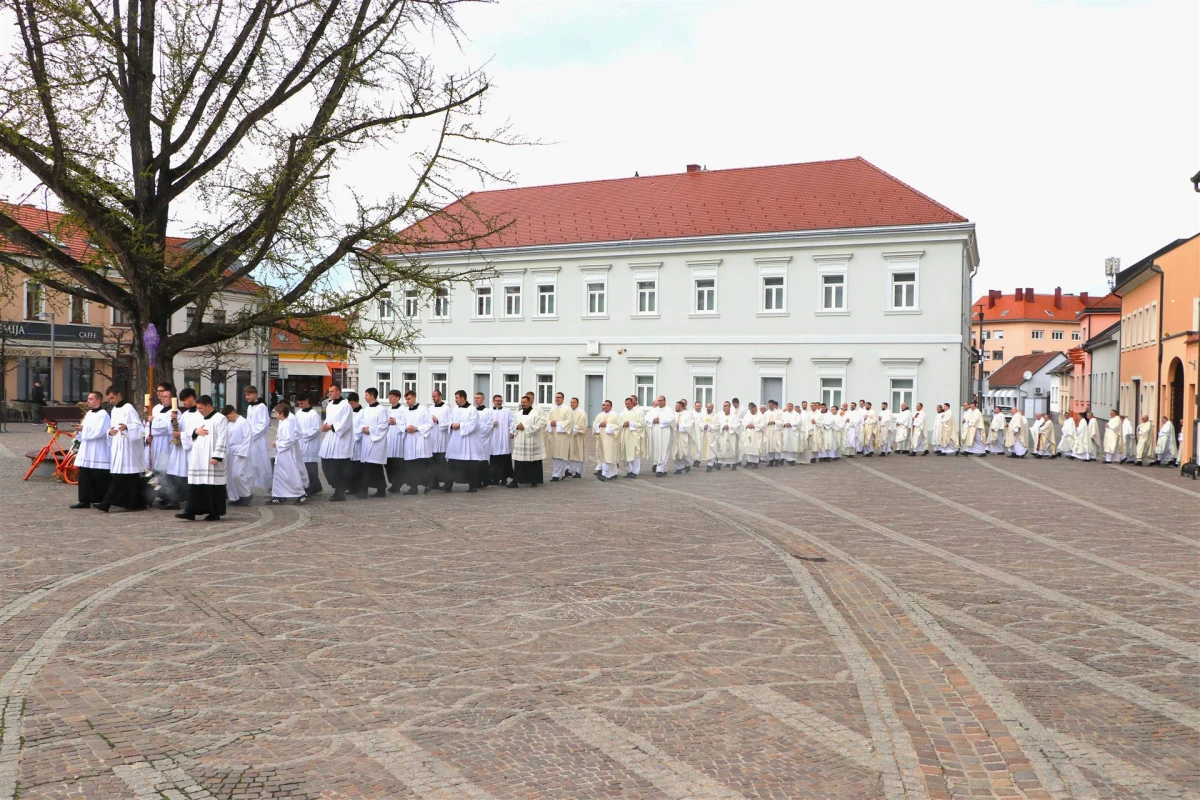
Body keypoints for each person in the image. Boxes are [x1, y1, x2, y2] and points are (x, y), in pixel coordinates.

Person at [93, 387, 145, 512]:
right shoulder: (114, 409)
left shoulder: (129, 408)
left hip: (128, 448)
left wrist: (127, 426)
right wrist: (110, 432)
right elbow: (112, 426)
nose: (110, 401)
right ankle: (136, 503)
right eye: (109, 399)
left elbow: (138, 427)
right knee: (130, 479)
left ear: (119, 394)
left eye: (112, 398)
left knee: (121, 477)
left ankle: (106, 503)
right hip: (118, 446)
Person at [176, 395, 228, 521]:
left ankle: (214, 512)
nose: (199, 410)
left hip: (211, 456)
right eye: (198, 408)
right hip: (198, 456)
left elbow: (223, 438)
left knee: (213, 485)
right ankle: (191, 511)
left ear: (209, 406)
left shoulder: (220, 419)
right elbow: (189, 431)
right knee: (195, 484)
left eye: (201, 408)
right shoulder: (198, 417)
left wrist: (217, 455)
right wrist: (195, 431)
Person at [148, 383, 187, 508]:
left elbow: (166, 428)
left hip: (166, 445)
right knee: (155, 472)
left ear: (172, 399)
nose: (162, 398)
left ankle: (173, 499)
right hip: (155, 445)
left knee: (166, 473)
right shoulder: (158, 410)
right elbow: (152, 427)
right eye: (161, 396)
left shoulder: (175, 413)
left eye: (165, 396)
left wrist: (153, 422)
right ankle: (162, 495)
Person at [70, 391, 111, 508]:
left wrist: (84, 428)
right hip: (87, 449)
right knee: (84, 475)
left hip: (98, 449)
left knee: (98, 476)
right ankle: (84, 500)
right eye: (88, 399)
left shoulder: (103, 414)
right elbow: (85, 430)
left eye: (90, 399)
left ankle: (99, 499)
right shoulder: (88, 414)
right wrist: (79, 431)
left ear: (98, 401)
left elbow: (100, 431)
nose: (88, 401)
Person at [319, 382, 354, 501]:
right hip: (329, 438)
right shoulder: (329, 405)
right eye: (329, 392)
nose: (330, 393)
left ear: (338, 392)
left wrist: (332, 427)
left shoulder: (346, 406)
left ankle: (340, 491)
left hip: (340, 439)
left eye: (332, 391)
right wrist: (325, 426)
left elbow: (346, 423)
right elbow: (328, 419)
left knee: (337, 467)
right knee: (326, 464)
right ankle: (337, 487)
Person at [270, 403, 309, 504]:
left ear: (281, 413)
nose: (275, 415)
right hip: (281, 453)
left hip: (286, 453)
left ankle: (301, 494)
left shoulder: (287, 423)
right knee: (279, 474)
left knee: (291, 473)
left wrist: (277, 443)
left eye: (276, 413)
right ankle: (279, 495)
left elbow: (290, 440)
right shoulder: (283, 422)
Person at [396, 389, 434, 493]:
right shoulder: (405, 411)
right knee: (410, 466)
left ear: (414, 398)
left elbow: (430, 424)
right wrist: (405, 428)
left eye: (409, 399)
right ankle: (413, 488)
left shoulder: (423, 409)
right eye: (406, 399)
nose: (407, 401)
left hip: (420, 439)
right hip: (409, 440)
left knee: (420, 466)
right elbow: (400, 423)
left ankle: (428, 482)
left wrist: (417, 428)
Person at [445, 390, 481, 492]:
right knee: (452, 463)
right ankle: (448, 486)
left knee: (470, 465)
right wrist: (451, 425)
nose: (455, 400)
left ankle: (472, 486)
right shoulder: (455, 409)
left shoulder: (472, 410)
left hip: (468, 442)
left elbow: (474, 425)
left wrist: (460, 425)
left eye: (457, 398)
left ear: (463, 398)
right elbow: (449, 421)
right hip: (456, 441)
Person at [356, 388, 390, 497]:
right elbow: (360, 423)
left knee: (374, 466)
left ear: (372, 395)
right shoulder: (365, 410)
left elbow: (384, 426)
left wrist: (370, 430)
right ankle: (380, 489)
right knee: (368, 466)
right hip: (366, 441)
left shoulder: (381, 410)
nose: (364, 397)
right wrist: (362, 429)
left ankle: (364, 490)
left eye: (366, 395)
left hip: (376, 442)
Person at [509, 393, 546, 488]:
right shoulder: (518, 413)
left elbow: (537, 426)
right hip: (520, 440)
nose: (523, 404)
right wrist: (516, 427)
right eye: (521, 402)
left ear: (529, 402)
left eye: (524, 402)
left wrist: (524, 427)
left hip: (530, 441)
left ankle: (533, 480)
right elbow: (513, 425)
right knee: (519, 462)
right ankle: (516, 480)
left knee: (532, 462)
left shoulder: (535, 413)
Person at [243, 386, 272, 496]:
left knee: (262, 464)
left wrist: (251, 434)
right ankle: (248, 487)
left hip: (257, 440)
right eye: (246, 395)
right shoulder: (250, 407)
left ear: (255, 394)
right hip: (250, 440)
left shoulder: (261, 407)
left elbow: (263, 424)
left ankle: (269, 486)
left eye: (249, 394)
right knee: (250, 465)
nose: (247, 397)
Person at [223, 405, 253, 505]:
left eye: (228, 417)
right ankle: (236, 496)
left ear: (233, 412)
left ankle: (246, 494)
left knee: (238, 474)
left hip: (240, 451)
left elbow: (247, 438)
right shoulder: (230, 424)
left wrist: (242, 452)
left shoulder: (243, 422)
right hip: (231, 451)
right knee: (231, 475)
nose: (228, 419)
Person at [296, 392, 324, 496]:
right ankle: (310, 486)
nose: (300, 405)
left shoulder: (314, 414)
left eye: (302, 403)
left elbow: (316, 430)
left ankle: (315, 486)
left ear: (307, 401)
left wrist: (302, 434)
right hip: (301, 443)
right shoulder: (298, 413)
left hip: (311, 445)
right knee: (303, 467)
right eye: (298, 403)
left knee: (311, 467)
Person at [488, 394, 515, 486]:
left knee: (504, 459)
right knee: (494, 459)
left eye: (500, 400)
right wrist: (491, 424)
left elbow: (512, 422)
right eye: (497, 400)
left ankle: (504, 478)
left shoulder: (507, 411)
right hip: (493, 438)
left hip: (504, 438)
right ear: (493, 401)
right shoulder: (489, 411)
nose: (499, 402)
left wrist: (512, 431)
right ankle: (494, 478)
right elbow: (485, 423)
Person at [427, 389, 451, 491]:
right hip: (432, 437)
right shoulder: (430, 408)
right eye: (432, 396)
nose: (433, 398)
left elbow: (449, 421)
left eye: (435, 396)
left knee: (442, 464)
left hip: (442, 438)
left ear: (440, 396)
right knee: (432, 464)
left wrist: (438, 421)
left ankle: (448, 483)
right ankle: (434, 482)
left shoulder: (446, 408)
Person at [646, 395, 675, 477]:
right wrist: (652, 420)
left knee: (664, 450)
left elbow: (672, 420)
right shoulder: (653, 410)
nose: (659, 402)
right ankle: (663, 469)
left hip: (665, 433)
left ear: (665, 401)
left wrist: (660, 420)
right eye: (658, 400)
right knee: (657, 450)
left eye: (661, 400)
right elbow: (647, 418)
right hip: (655, 433)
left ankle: (660, 470)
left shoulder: (669, 410)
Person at [546, 392, 572, 481]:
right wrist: (550, 423)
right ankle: (562, 472)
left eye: (559, 397)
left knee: (560, 455)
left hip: (562, 437)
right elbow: (547, 420)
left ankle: (556, 475)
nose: (557, 399)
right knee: (554, 455)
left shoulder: (567, 409)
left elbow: (569, 422)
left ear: (563, 399)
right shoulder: (552, 409)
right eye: (556, 397)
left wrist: (557, 424)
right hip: (553, 436)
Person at [592, 400, 621, 481]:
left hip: (611, 440)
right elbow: (594, 425)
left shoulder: (615, 415)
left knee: (608, 456)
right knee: (605, 456)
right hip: (601, 439)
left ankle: (604, 474)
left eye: (607, 405)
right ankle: (613, 474)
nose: (605, 407)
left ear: (611, 406)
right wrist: (599, 425)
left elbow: (619, 427)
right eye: (604, 405)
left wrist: (607, 425)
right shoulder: (600, 415)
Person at [617, 396, 645, 478]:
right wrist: (623, 424)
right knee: (627, 453)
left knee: (635, 454)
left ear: (632, 403)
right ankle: (629, 471)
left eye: (628, 403)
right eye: (626, 403)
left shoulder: (638, 412)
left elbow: (642, 424)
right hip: (625, 435)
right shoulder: (623, 412)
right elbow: (619, 423)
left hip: (634, 436)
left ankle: (635, 472)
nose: (627, 405)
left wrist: (631, 424)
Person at [567, 397, 588, 478]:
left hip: (578, 437)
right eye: (571, 402)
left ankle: (578, 472)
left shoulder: (582, 413)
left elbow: (583, 426)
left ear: (578, 403)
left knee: (579, 454)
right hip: (570, 437)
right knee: (571, 454)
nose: (572, 404)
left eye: (574, 402)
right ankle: (570, 470)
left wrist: (572, 429)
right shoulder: (569, 412)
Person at [716, 401, 741, 470]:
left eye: (728, 409)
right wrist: (723, 427)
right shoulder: (720, 416)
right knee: (722, 448)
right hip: (723, 435)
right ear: (723, 410)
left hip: (731, 435)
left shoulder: (734, 416)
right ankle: (719, 463)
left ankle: (733, 464)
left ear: (730, 409)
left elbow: (737, 425)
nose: (727, 410)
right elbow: (717, 425)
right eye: (725, 409)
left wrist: (729, 426)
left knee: (732, 448)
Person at [741, 402, 763, 468]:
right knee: (748, 447)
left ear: (756, 409)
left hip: (756, 434)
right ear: (749, 409)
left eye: (754, 410)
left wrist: (755, 426)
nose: (752, 411)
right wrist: (747, 425)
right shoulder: (746, 416)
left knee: (755, 448)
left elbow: (763, 425)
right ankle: (749, 462)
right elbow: (743, 423)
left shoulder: (760, 416)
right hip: (748, 433)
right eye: (751, 410)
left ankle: (755, 463)